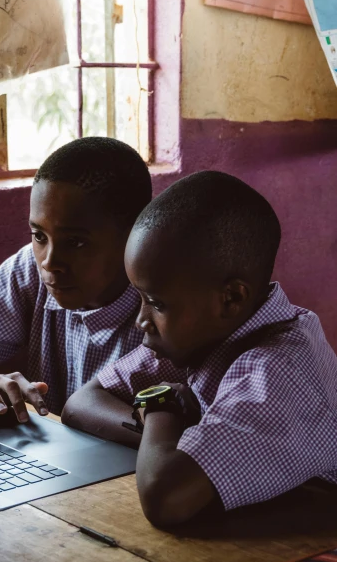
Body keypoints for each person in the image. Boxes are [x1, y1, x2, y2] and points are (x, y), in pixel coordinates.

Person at [62, 171, 337, 526]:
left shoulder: (278, 372)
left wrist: (161, 406)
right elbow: (82, 404)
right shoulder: (208, 334)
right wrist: (163, 440)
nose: (141, 320)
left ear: (231, 298)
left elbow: (164, 497)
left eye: (155, 302)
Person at [0, 136, 152, 423]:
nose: (50, 262)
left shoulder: (167, 305)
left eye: (76, 242)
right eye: (39, 236)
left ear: (134, 235)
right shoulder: (31, 271)